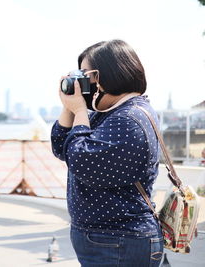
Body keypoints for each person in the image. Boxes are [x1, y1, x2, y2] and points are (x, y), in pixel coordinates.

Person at [51, 39, 163, 267]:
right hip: (109, 240)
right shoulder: (110, 113)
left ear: (106, 75)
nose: (81, 82)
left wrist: (80, 110)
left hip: (119, 240)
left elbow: (83, 161)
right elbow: (61, 146)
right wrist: (69, 107)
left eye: (84, 75)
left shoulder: (130, 118)